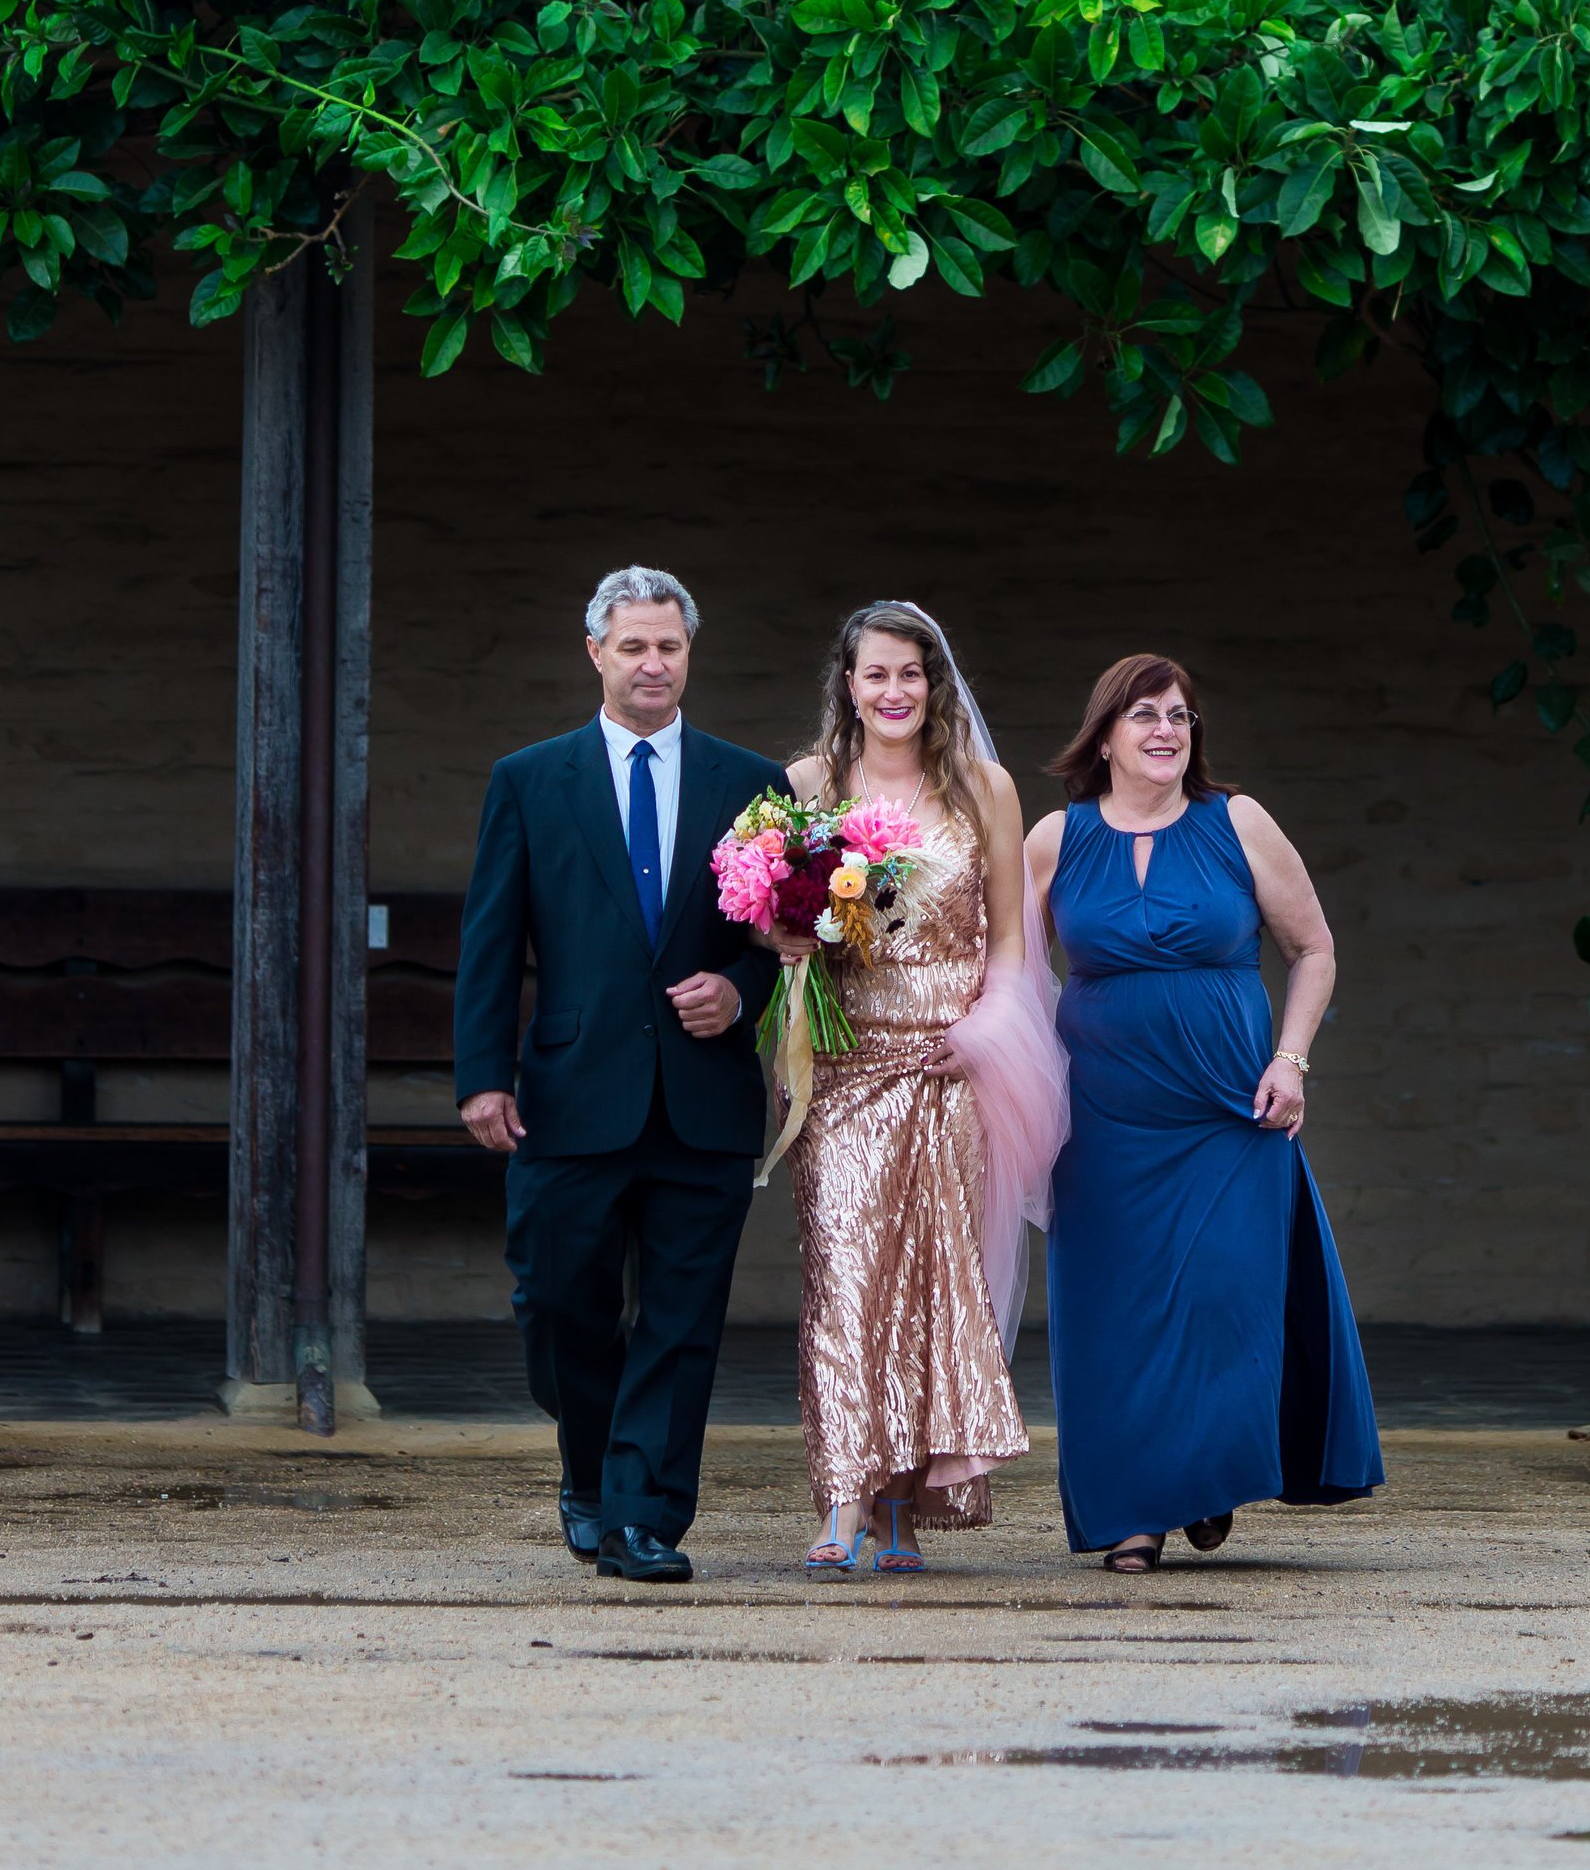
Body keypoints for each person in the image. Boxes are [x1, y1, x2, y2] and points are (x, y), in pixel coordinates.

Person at [454, 566, 786, 1586]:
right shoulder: (529, 779)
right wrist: (482, 1075)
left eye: (670, 647)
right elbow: (492, 938)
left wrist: (739, 992)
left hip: (704, 1099)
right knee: (557, 1304)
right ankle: (589, 1469)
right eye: (634, 646)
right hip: (569, 1094)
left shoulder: (751, 783)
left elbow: (777, 938)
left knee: (681, 1324)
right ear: (595, 651)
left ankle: (644, 1515)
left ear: (691, 655)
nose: (654, 664)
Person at [1027, 652, 1381, 1572]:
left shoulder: (1239, 822)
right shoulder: (1053, 842)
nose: (1165, 731)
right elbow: (1001, 975)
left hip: (1231, 1110)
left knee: (1227, 1303)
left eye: (1180, 717)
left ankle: (1209, 1475)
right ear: (1103, 737)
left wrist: (1291, 1061)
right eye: (1144, 715)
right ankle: (1135, 1515)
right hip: (1101, 1118)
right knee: (1114, 1313)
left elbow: (1313, 950)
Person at [782, 600, 1066, 1573]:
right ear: (849, 685)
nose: (894, 691)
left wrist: (982, 1036)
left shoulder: (983, 786)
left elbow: (1016, 947)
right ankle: (842, 1497)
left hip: (949, 1065)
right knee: (845, 1276)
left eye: (911, 673)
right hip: (850, 1061)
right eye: (876, 674)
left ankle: (906, 1502)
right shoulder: (809, 783)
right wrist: (779, 934)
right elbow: (786, 928)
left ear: (933, 684)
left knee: (934, 1286)